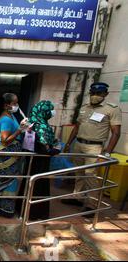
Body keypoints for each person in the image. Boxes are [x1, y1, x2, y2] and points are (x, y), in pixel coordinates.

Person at [63, 82, 122, 218]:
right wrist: (68, 143)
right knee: (79, 173)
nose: (95, 96)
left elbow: (116, 133)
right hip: (79, 144)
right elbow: (77, 127)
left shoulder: (112, 109)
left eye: (99, 94)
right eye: (93, 93)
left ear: (105, 94)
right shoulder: (85, 108)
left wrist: (107, 152)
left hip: (94, 147)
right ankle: (77, 197)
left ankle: (91, 204)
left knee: (90, 175)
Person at [0, 93, 29, 218]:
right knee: (5, 181)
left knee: (8, 181)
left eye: (17, 103)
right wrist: (19, 130)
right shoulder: (5, 119)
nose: (16, 106)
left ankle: (1, 206)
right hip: (5, 158)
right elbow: (5, 140)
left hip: (11, 158)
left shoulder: (11, 116)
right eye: (14, 103)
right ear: (6, 105)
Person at [27, 100, 61, 220]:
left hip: (32, 160)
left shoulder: (32, 122)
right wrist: (56, 150)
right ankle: (36, 213)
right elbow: (45, 147)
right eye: (50, 109)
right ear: (44, 111)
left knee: (30, 184)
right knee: (39, 186)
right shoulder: (42, 126)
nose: (52, 112)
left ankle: (26, 210)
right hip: (41, 161)